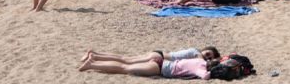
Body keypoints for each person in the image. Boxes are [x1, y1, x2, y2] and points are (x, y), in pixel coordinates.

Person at [78, 48, 219, 78]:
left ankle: (95, 56)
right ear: (205, 49)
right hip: (160, 58)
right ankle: (93, 61)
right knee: (125, 64)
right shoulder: (197, 54)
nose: (206, 58)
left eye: (209, 58)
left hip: (160, 58)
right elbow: (203, 68)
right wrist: (216, 62)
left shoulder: (196, 57)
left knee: (124, 59)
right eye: (208, 54)